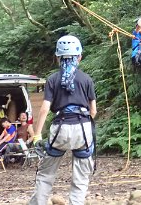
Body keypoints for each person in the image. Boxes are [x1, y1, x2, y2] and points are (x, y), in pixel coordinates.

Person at [29, 35, 96, 205]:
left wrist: (37, 135)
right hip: (83, 129)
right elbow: (93, 111)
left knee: (45, 175)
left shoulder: (52, 80)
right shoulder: (87, 79)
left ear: (58, 57)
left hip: (60, 128)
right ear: (79, 56)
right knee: (80, 178)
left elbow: (44, 109)